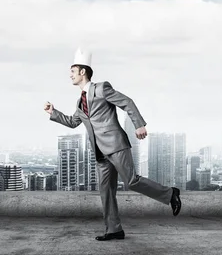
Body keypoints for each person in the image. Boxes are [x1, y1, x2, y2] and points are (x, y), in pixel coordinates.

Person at [43, 48, 181, 241]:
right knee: (106, 191)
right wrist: (53, 112)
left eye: (72, 71)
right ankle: (114, 229)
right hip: (100, 153)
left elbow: (127, 102)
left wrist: (139, 125)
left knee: (131, 181)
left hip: (116, 144)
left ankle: (170, 193)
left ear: (83, 72)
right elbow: (73, 122)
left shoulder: (101, 88)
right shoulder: (79, 103)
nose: (70, 75)